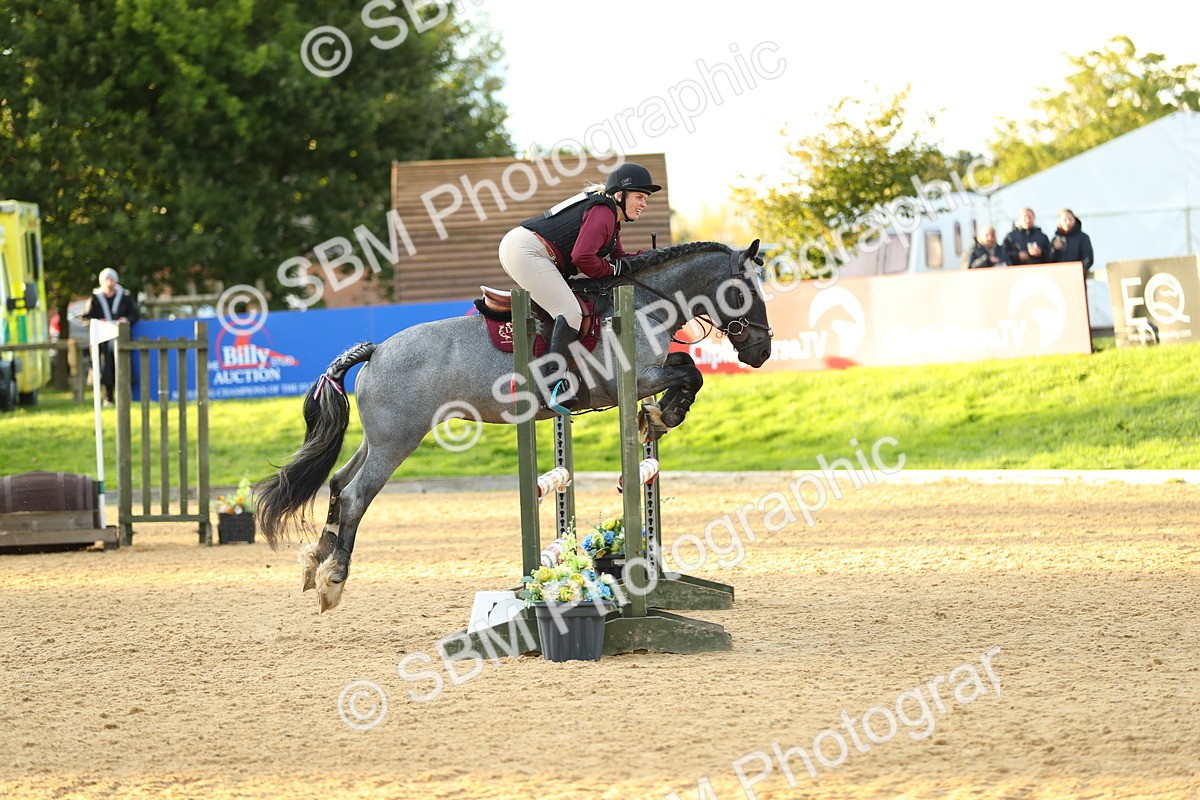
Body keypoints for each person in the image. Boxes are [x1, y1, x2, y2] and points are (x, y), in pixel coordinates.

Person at [497, 162, 660, 414]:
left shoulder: (611, 218)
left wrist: (649, 258)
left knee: (570, 307)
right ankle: (553, 383)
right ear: (620, 195)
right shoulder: (603, 212)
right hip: (527, 250)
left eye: (645, 198)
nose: (643, 204)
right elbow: (583, 258)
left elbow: (619, 260)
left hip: (529, 248)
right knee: (571, 312)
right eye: (639, 196)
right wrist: (615, 268)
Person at [83, 267, 139, 406]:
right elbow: (86, 318)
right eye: (106, 279)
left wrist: (126, 319)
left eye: (111, 279)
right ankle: (108, 398)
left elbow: (135, 314)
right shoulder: (95, 298)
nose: (109, 282)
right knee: (105, 368)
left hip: (121, 337)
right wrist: (98, 322)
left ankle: (125, 396)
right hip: (103, 341)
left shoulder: (125, 297)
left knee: (123, 366)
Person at [1049, 208, 1095, 276]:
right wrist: (1054, 250)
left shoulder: (1083, 237)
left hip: (1077, 275)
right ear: (1060, 222)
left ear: (1074, 220)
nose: (1068, 222)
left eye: (1070, 219)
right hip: (1059, 276)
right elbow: (1049, 260)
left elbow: (1088, 258)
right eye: (1065, 220)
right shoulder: (1055, 239)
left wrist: (1081, 269)